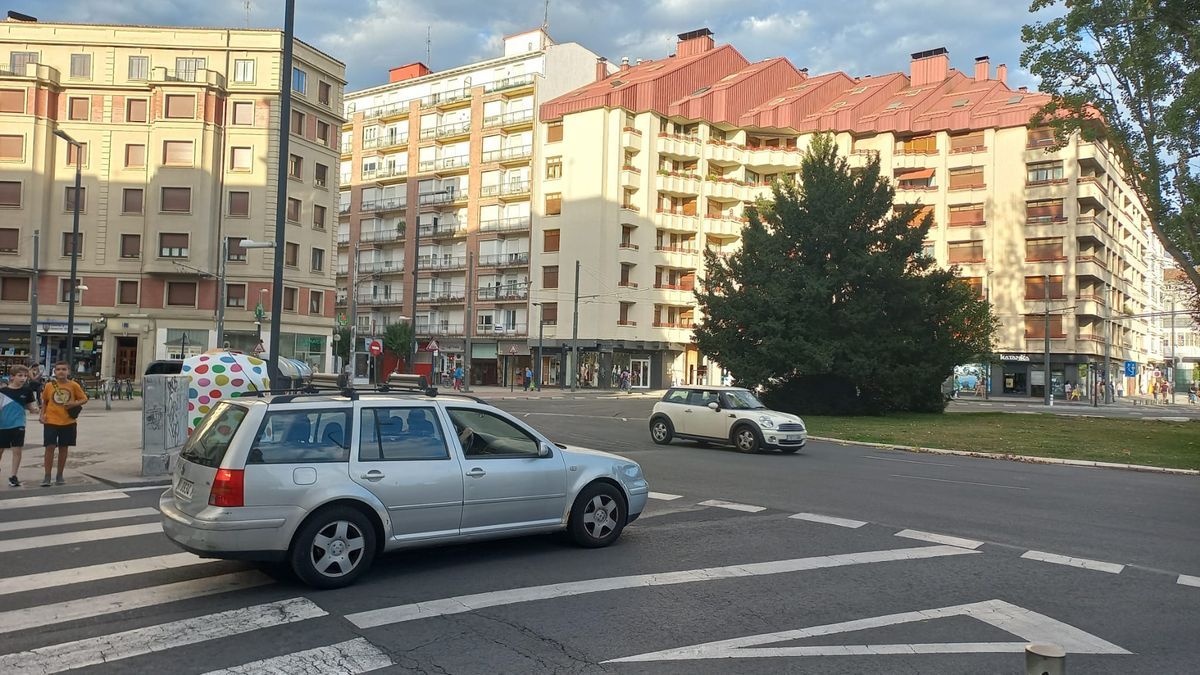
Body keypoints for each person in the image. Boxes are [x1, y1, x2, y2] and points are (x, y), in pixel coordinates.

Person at [39, 361, 87, 487]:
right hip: (51, 421)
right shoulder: (49, 386)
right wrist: (42, 415)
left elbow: (84, 398)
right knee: (49, 447)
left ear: (68, 371)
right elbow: (45, 401)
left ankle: (60, 475)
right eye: (58, 369)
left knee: (63, 448)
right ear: (54, 371)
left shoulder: (74, 385)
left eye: (64, 369)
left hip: (68, 421)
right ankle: (47, 476)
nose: (61, 371)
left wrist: (74, 404)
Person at [1, 365, 39, 487]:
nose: (23, 378)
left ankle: (13, 476)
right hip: (2, 425)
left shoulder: (27, 391)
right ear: (12, 377)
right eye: (20, 376)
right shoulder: (3, 392)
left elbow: (29, 406)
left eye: (25, 376)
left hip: (19, 424)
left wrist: (34, 410)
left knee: (17, 450)